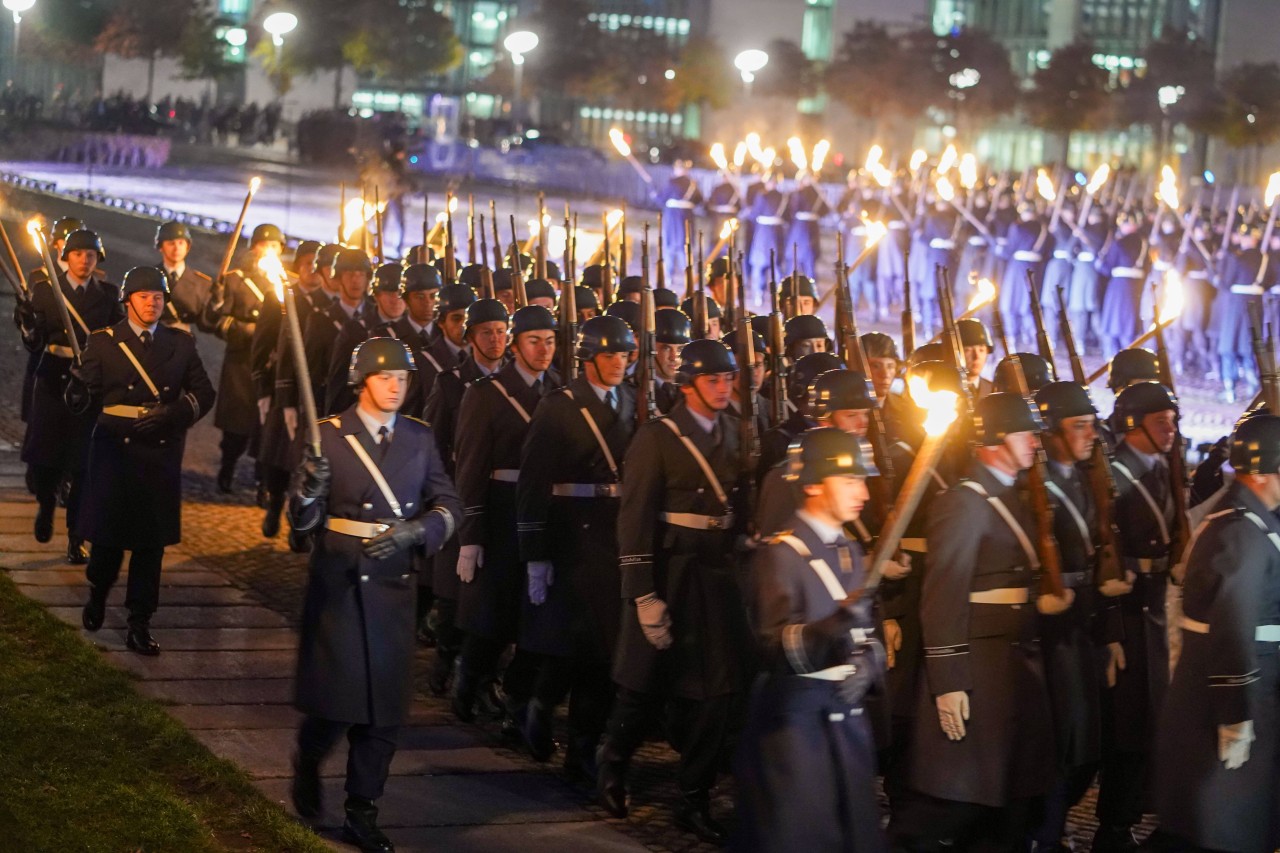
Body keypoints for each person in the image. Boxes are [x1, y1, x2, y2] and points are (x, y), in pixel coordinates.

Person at [288, 337, 461, 853]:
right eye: (386, 378)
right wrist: (306, 492)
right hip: (340, 583)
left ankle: (362, 811)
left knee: (383, 714)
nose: (395, 388)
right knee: (337, 705)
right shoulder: (328, 437)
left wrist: (416, 534)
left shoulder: (419, 438)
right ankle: (309, 758)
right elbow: (301, 528)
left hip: (392, 586)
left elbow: (449, 504)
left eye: (402, 380)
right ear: (362, 381)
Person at [597, 339, 752, 843]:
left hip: (716, 577)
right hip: (670, 572)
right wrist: (642, 594)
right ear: (688, 386)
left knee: (718, 694)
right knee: (641, 688)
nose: (724, 388)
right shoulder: (658, 438)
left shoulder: (738, 432)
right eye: (713, 380)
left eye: (729, 379)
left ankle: (693, 795)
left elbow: (742, 508)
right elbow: (634, 520)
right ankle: (613, 765)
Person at [893, 392, 1056, 852]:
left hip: (1012, 667)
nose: (1035, 444)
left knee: (1005, 803)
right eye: (1026, 433)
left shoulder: (1012, 495)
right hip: (979, 671)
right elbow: (943, 596)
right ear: (994, 437)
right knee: (951, 803)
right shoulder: (965, 502)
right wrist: (948, 681)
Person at [733, 428, 886, 853]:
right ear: (816, 483)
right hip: (797, 729)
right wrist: (832, 626)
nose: (865, 493)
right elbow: (771, 645)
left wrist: (868, 665)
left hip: (846, 723)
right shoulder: (781, 554)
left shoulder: (849, 550)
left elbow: (869, 636)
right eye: (852, 480)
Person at [1152, 413, 1280, 853]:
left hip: (1248, 688)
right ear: (1265, 471)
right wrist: (1235, 713)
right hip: (1234, 698)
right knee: (1224, 822)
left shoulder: (1251, 519)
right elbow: (1233, 625)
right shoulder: (1241, 531)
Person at [517, 314, 637, 779]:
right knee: (574, 647)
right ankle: (543, 706)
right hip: (572, 535)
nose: (619, 363)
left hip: (614, 536)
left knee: (603, 650)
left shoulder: (632, 402)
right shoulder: (560, 406)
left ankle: (582, 744)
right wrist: (535, 554)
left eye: (625, 354)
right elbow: (533, 484)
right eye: (610, 354)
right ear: (589, 357)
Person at [77, 267, 216, 653]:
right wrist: (76, 391)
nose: (152, 302)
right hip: (114, 451)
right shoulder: (104, 342)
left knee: (150, 545)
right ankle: (98, 593)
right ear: (127, 302)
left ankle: (140, 622)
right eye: (143, 296)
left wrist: (172, 415)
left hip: (159, 451)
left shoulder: (181, 343)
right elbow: (86, 397)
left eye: (158, 296)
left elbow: (204, 393)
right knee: (107, 540)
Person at [451, 305, 558, 734]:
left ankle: (516, 695)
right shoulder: (485, 393)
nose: (543, 350)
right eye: (534, 341)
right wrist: (470, 534)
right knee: (494, 619)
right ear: (515, 346)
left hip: (544, 515)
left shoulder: (560, 394)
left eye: (550, 341)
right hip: (501, 513)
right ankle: (471, 678)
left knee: (538, 619)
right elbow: (471, 468)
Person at [1095, 381, 1181, 851]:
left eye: (1172, 421)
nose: (1170, 430)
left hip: (1150, 608)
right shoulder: (1116, 476)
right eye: (1160, 421)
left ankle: (1123, 817)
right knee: (1126, 725)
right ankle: (1113, 825)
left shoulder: (1159, 468)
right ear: (1133, 424)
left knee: (1146, 720)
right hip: (1125, 613)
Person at [1032, 381, 1114, 851]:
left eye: (1090, 424)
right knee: (1060, 741)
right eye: (1078, 425)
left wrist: (1111, 632)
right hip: (1050, 628)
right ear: (1051, 433)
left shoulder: (1087, 479)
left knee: (1086, 744)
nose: (1089, 434)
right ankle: (1045, 834)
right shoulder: (1035, 488)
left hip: (1085, 621)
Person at [18, 228, 123, 563]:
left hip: (89, 386)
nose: (84, 260)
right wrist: (27, 324)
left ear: (98, 259)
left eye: (91, 255)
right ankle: (46, 504)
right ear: (66, 257)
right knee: (47, 458)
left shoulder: (108, 295)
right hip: (52, 380)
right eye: (78, 254)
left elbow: (117, 339)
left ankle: (76, 537)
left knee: (82, 466)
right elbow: (34, 343)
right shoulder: (47, 291)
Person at [205, 223, 282, 493]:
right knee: (236, 424)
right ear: (254, 247)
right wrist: (246, 328)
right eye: (264, 245)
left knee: (267, 425)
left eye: (274, 246)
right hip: (241, 362)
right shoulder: (236, 280)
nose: (269, 250)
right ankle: (227, 468)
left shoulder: (285, 283)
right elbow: (217, 321)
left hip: (271, 365)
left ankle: (263, 480)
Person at [154, 221, 213, 333]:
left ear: (188, 247)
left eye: (181, 243)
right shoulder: (147, 277)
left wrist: (215, 305)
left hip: (184, 343)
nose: (176, 248)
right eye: (171, 243)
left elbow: (207, 325)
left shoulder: (202, 283)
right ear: (160, 246)